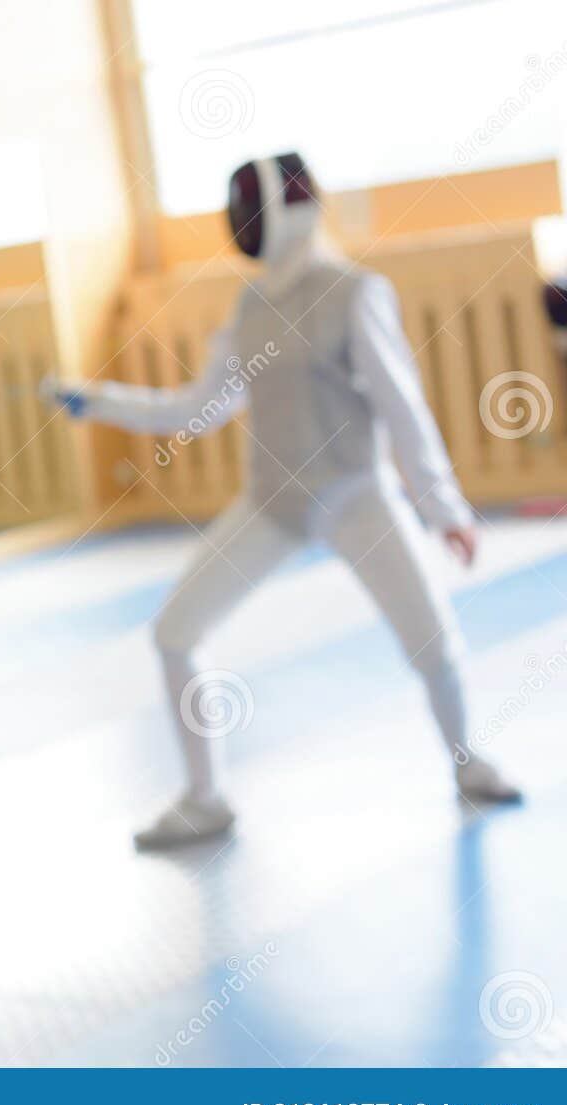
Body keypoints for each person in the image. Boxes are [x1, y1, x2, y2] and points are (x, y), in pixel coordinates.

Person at [45, 151, 521, 851]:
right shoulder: (252, 307)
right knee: (174, 633)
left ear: (282, 212)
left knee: (432, 640)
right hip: (272, 504)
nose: (241, 226)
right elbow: (197, 409)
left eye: (249, 211)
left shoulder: (355, 292)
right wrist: (102, 400)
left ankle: (468, 764)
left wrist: (444, 508)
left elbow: (403, 407)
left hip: (358, 494)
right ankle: (206, 799)